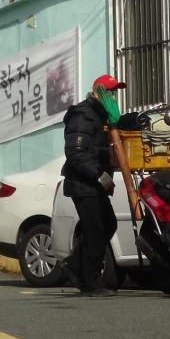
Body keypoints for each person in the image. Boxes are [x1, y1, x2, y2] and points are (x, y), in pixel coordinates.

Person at [60, 73, 128, 296]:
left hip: (95, 183)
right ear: (97, 92)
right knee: (95, 231)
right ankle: (90, 282)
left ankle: (74, 265)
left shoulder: (102, 116)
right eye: (109, 92)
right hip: (83, 183)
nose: (113, 96)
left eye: (115, 92)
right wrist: (100, 175)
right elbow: (75, 152)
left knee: (108, 225)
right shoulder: (83, 115)